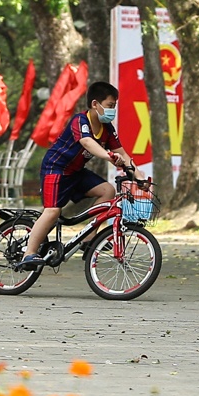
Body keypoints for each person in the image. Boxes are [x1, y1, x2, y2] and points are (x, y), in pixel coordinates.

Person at [20, 81, 135, 267]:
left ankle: (88, 240)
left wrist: (139, 177)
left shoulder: (108, 129)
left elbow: (123, 153)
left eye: (115, 106)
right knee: (52, 211)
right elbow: (88, 143)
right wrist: (109, 156)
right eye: (110, 106)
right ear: (95, 104)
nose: (113, 110)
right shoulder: (80, 121)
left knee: (107, 191)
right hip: (55, 169)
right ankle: (29, 253)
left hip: (75, 172)